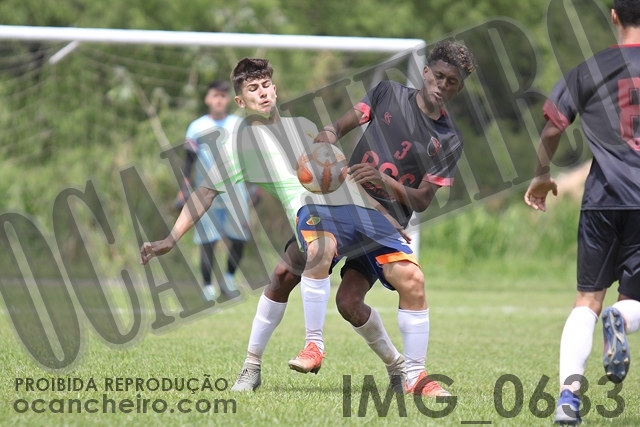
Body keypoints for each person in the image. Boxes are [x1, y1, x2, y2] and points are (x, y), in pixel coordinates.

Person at [138, 58, 450, 397]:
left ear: (275, 89)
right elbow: (204, 193)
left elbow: (341, 176)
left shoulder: (303, 127)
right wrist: (171, 238)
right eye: (252, 89)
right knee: (289, 274)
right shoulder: (237, 148)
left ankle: (398, 367)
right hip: (311, 219)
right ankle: (258, 365)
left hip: (349, 217)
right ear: (240, 101)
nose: (262, 93)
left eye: (265, 85)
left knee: (348, 298)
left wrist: (381, 213)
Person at [231, 41, 476, 396]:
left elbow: (422, 200)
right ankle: (273, 359)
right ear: (426, 72)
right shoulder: (388, 93)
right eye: (438, 76)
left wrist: (385, 183)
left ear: (459, 88)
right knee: (287, 272)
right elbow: (336, 128)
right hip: (342, 205)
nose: (442, 85)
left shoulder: (449, 138)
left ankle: (412, 375)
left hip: (384, 222)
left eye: (452, 82)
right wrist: (325, 149)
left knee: (392, 288)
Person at [524, 1, 640, 424]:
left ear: (614, 16)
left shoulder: (588, 70)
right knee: (632, 302)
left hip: (603, 200)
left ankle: (568, 399)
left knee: (586, 300)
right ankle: (620, 319)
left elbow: (553, 127)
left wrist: (541, 176)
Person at [176, 80, 250, 301]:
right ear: (207, 99)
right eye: (215, 95)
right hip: (206, 192)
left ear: (228, 99)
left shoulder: (238, 124)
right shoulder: (196, 127)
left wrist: (255, 186)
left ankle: (228, 280)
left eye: (223, 96)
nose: (219, 100)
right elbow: (188, 162)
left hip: (235, 191)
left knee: (240, 239)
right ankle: (208, 287)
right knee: (208, 240)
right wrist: (183, 189)